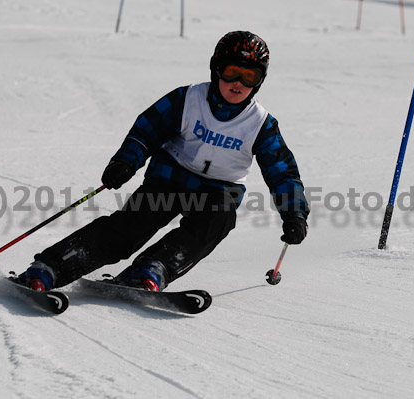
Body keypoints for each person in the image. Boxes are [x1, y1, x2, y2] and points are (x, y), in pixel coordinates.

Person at [17, 31, 310, 292]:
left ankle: (153, 268)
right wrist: (126, 161)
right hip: (169, 180)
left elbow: (282, 173)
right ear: (216, 69)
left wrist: (294, 213)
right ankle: (52, 267)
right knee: (130, 227)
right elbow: (146, 130)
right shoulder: (187, 99)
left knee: (218, 220)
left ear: (259, 82)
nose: (238, 83)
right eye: (232, 72)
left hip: (218, 191)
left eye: (249, 77)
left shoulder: (260, 124)